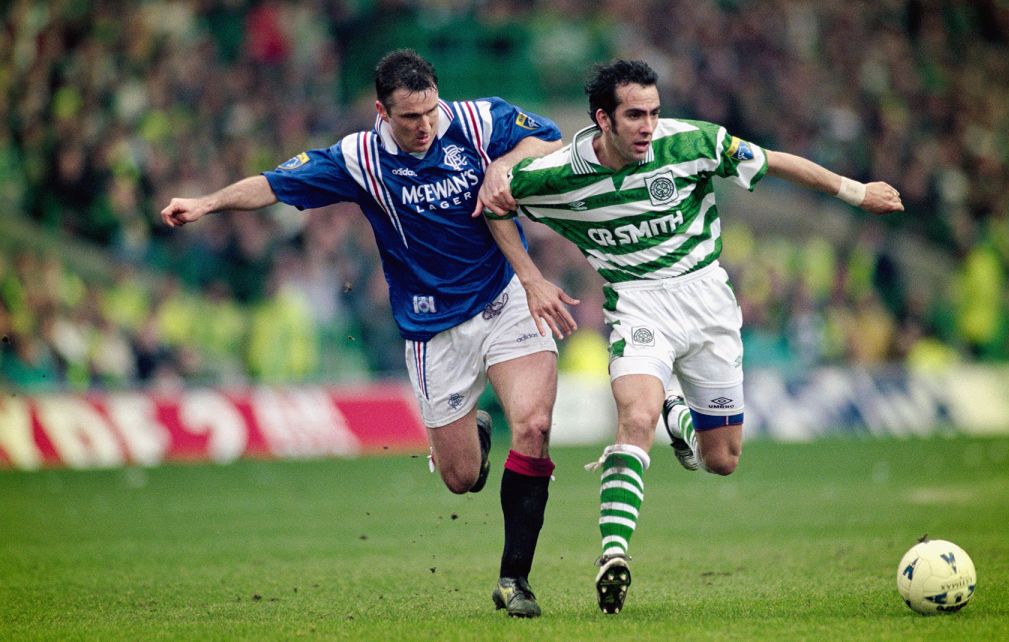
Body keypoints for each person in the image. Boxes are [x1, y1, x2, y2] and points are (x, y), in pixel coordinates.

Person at [161, 49, 577, 618]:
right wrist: (206, 203)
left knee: (534, 425)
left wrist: (505, 165)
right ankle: (470, 439)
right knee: (460, 480)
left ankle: (515, 580)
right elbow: (274, 183)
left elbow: (549, 137)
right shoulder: (358, 159)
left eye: (431, 110)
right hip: (434, 329)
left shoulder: (478, 120)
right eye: (410, 117)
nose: (426, 125)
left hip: (506, 300)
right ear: (382, 111)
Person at [482, 59, 904, 615]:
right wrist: (531, 277)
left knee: (722, 459)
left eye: (654, 113)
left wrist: (855, 191)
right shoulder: (560, 173)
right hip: (636, 302)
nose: (648, 126)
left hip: (708, 302)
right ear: (603, 119)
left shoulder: (691, 143)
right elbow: (493, 206)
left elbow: (774, 162)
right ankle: (613, 556)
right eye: (635, 115)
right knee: (634, 418)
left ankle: (678, 417)